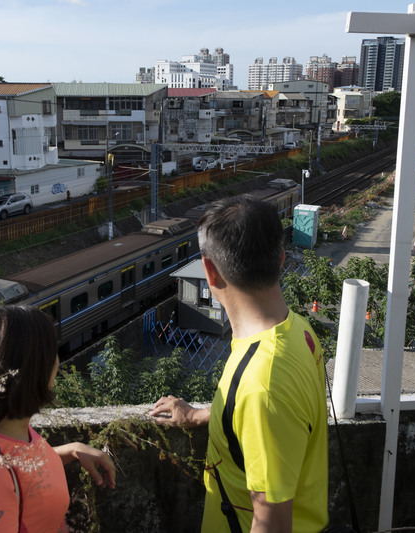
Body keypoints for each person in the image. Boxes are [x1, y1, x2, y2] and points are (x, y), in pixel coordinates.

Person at [150, 195, 328, 533]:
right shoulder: (298, 331)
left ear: (210, 272)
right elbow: (256, 420)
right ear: (281, 258)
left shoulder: (262, 386)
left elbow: (272, 525)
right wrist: (200, 414)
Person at [0, 305, 116, 533]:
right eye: (52, 351)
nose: (57, 360)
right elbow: (1, 478)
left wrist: (70, 450)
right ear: (33, 369)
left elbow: (18, 466)